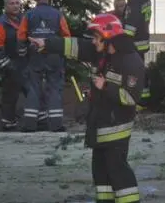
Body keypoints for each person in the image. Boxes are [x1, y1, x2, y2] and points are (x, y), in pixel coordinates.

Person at [29, 13, 144, 203]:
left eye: (96, 37)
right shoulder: (100, 53)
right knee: (100, 174)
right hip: (99, 126)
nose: (93, 42)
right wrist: (46, 44)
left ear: (108, 37)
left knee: (118, 171)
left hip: (116, 129)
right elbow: (74, 45)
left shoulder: (131, 62)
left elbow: (131, 97)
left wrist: (105, 87)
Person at [17, 0, 70, 132]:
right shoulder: (57, 14)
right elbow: (66, 36)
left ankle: (30, 125)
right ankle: (56, 125)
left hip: (35, 54)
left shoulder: (29, 15)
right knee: (54, 87)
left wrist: (22, 52)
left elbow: (21, 36)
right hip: (54, 54)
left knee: (33, 87)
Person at [0, 0, 27, 131]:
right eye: (12, 3)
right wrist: (7, 66)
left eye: (18, 3)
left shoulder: (24, 20)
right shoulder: (0, 24)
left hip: (25, 62)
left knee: (33, 91)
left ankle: (35, 121)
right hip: (10, 64)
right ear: (6, 6)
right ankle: (8, 123)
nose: (16, 6)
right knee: (10, 95)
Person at [121, 0, 153, 109]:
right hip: (142, 40)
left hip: (133, 42)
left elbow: (132, 22)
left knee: (133, 72)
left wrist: (123, 40)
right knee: (140, 70)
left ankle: (137, 101)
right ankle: (143, 100)